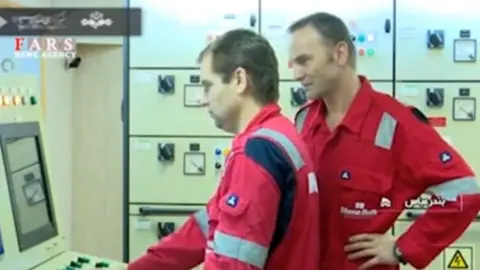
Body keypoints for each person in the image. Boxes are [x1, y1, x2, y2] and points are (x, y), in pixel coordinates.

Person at [288, 12, 480, 270]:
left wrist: (404, 247)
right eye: (294, 64)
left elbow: (465, 192)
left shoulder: (396, 123)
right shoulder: (304, 120)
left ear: (340, 54)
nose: (297, 74)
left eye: (304, 61)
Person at [127, 29, 320, 270]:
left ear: (239, 80)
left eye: (208, 86)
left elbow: (233, 265)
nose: (202, 99)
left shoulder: (256, 154)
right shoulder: (280, 133)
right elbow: (207, 225)